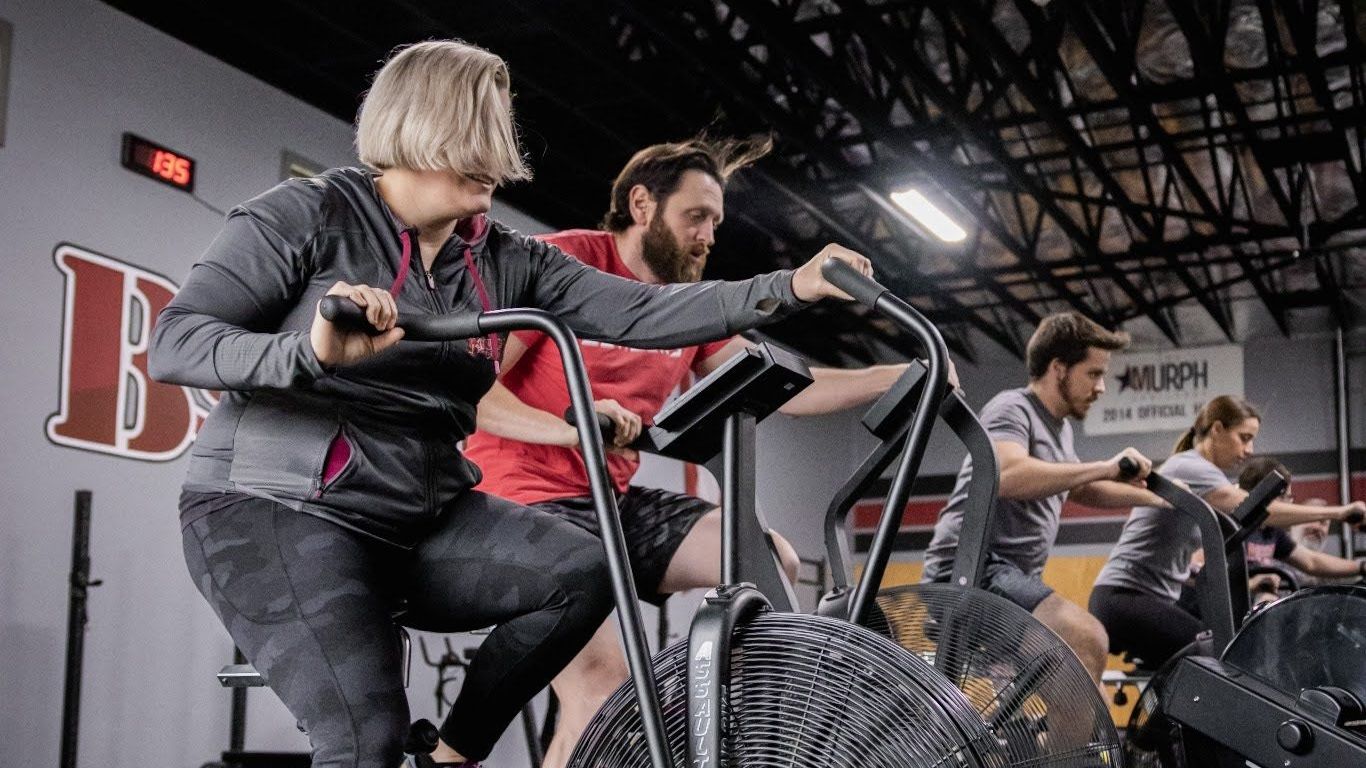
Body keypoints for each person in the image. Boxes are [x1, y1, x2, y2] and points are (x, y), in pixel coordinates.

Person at [148, 41, 871, 768]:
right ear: (423, 128)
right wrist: (309, 354)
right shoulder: (308, 214)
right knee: (364, 737)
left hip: (416, 515)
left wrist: (791, 287)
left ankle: (454, 756)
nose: (498, 161)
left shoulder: (503, 258)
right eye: (479, 139)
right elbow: (176, 342)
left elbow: (644, 312)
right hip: (271, 507)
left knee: (582, 571)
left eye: (501, 141)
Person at [461, 136, 922, 768]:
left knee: (770, 560)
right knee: (601, 693)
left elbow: (781, 389)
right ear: (642, 204)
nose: (708, 236)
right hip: (526, 502)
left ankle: (708, 718)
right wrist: (573, 429)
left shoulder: (683, 309)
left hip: (612, 502)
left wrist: (900, 374)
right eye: (695, 217)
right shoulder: (563, 264)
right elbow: (473, 394)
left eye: (716, 222)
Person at [920, 312, 1162, 684]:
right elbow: (1009, 476)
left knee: (1062, 674)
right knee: (1086, 638)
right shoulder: (1013, 407)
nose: (1101, 388)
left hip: (1008, 577)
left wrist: (1157, 500)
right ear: (1059, 368)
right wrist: (1105, 466)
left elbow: (1081, 487)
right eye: (1094, 374)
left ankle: (1056, 742)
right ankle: (1081, 746)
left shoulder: (1059, 428)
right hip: (967, 569)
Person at [1089, 397, 1365, 668]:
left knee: (1211, 658)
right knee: (1219, 657)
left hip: (1139, 600)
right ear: (1217, 430)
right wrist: (1338, 513)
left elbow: (1302, 555)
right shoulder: (1192, 467)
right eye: (1244, 438)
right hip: (1125, 598)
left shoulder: (1202, 473)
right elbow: (1263, 512)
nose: (1249, 449)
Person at [1235, 457, 1365, 600]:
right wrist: (1252, 584)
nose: (1290, 504)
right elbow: (1210, 582)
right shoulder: (1231, 530)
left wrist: (1361, 567)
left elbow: (1311, 562)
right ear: (1264, 496)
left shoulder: (1272, 532)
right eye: (1285, 498)